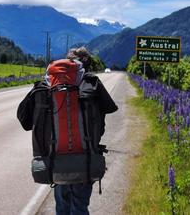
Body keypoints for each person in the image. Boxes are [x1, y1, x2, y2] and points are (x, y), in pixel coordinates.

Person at [17, 47, 118, 215]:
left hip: (55, 160)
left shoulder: (46, 86)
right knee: (79, 206)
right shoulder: (91, 83)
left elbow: (25, 121)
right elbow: (107, 113)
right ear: (86, 65)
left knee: (62, 206)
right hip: (86, 158)